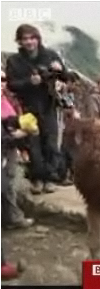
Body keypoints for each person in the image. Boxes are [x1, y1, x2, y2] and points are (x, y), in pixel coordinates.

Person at [5, 24, 71, 195]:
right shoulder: (14, 61)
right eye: (25, 39)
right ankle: (37, 179)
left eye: (32, 38)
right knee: (33, 144)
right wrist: (29, 82)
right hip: (27, 107)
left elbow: (66, 77)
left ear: (37, 38)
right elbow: (11, 84)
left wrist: (59, 70)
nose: (29, 42)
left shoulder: (50, 55)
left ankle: (49, 178)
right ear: (19, 41)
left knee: (50, 142)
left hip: (49, 104)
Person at [2, 88, 35, 229]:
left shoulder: (6, 101)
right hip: (5, 150)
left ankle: (10, 218)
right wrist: (15, 136)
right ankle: (13, 218)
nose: (3, 83)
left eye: (3, 80)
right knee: (6, 185)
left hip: (8, 151)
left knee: (8, 184)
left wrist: (18, 122)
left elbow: (6, 123)